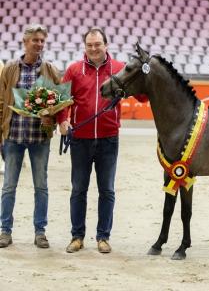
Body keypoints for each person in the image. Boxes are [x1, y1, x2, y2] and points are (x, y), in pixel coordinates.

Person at [57, 27, 146, 254]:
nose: (94, 48)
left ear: (106, 45)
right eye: (90, 45)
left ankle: (103, 237)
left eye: (98, 44)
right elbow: (63, 101)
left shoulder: (119, 69)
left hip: (109, 139)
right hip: (80, 139)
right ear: (85, 47)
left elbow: (143, 97)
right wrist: (63, 121)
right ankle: (77, 237)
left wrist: (146, 73)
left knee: (107, 190)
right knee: (78, 190)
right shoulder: (74, 70)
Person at [0, 24, 61, 248]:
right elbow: (0, 102)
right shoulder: (9, 69)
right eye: (35, 40)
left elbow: (58, 104)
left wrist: (51, 119)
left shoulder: (51, 70)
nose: (39, 44)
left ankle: (40, 232)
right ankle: (5, 231)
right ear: (25, 42)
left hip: (39, 138)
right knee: (8, 186)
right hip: (13, 136)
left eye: (42, 41)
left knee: (41, 186)